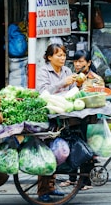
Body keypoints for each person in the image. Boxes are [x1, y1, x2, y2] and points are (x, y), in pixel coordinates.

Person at [36, 43, 77, 202]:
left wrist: (76, 85)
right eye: (59, 55)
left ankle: (51, 187)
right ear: (49, 57)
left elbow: (73, 91)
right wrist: (63, 83)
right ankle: (43, 190)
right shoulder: (43, 71)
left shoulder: (67, 70)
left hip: (66, 114)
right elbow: (42, 92)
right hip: (49, 117)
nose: (62, 58)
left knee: (59, 151)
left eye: (64, 55)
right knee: (47, 153)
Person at [59, 50, 104, 191]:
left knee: (86, 149)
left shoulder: (96, 79)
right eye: (75, 62)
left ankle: (86, 181)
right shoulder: (70, 76)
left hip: (88, 120)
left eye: (81, 62)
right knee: (72, 147)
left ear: (89, 63)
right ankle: (72, 178)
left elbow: (99, 98)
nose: (77, 65)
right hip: (72, 119)